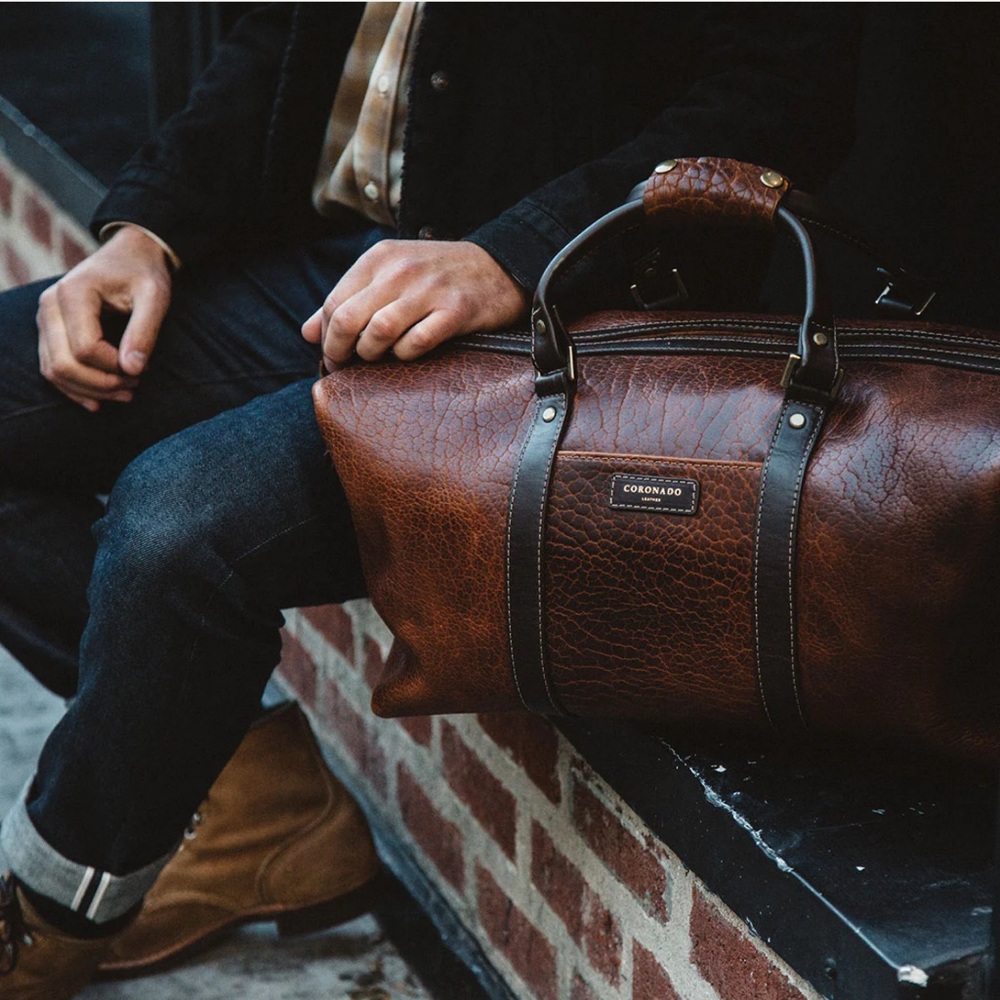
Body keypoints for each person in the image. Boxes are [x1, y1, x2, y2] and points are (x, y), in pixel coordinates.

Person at [0, 5, 859, 997]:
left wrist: (517, 252)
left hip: (569, 318)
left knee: (177, 519)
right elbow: (277, 36)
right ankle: (245, 796)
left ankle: (54, 908)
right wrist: (145, 230)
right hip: (349, 271)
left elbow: (784, 86)